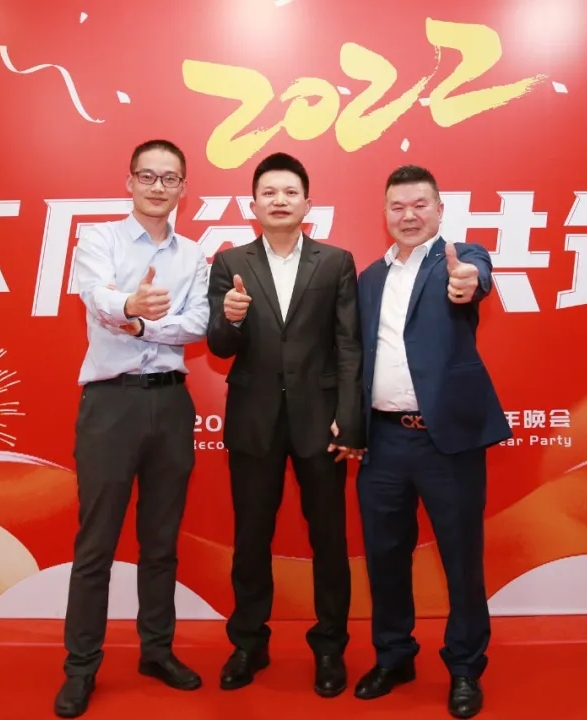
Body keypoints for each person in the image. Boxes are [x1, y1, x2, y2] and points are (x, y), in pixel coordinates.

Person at [54, 139, 210, 718]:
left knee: (161, 542)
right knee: (96, 544)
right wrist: (132, 306)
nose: (158, 187)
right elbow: (98, 298)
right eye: (148, 176)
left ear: (183, 189)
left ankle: (157, 651)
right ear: (130, 182)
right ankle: (81, 667)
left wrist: (142, 325)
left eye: (170, 178)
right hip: (111, 405)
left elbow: (197, 324)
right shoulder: (99, 239)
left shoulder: (194, 255)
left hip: (170, 404)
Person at [352, 165, 512, 719]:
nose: (409, 215)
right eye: (397, 206)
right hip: (382, 442)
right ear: (385, 213)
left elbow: (476, 277)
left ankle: (465, 667)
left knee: (461, 559)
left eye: (420, 204)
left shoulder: (460, 259)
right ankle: (394, 655)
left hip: (448, 442)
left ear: (440, 210)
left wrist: (467, 280)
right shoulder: (369, 278)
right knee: (384, 558)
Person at [206, 152, 363, 697]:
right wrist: (230, 319)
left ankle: (330, 647)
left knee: (329, 539)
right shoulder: (230, 263)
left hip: (321, 421)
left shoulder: (335, 262)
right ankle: (248, 643)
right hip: (254, 421)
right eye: (269, 192)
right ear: (253, 204)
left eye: (290, 192)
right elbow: (219, 346)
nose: (279, 200)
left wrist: (351, 417)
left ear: (307, 203)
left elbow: (349, 346)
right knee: (251, 537)